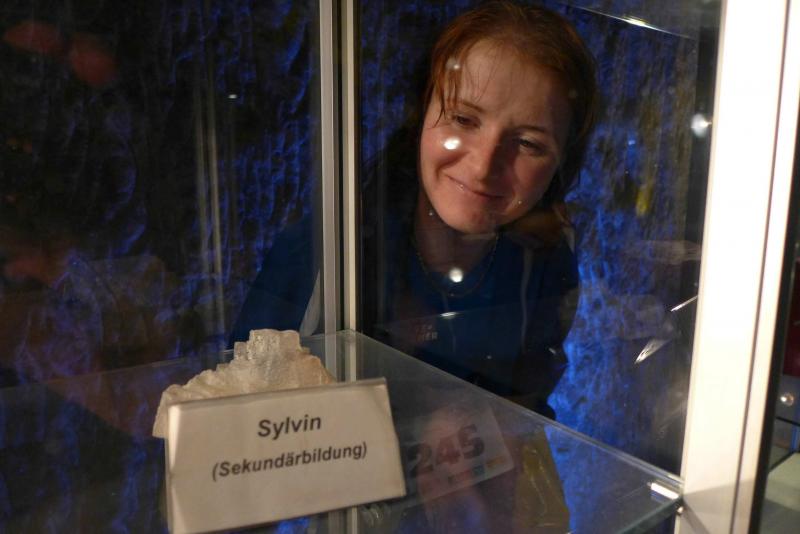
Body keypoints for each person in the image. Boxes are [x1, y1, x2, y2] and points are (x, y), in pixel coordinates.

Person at [360, 0, 598, 420]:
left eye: (528, 143)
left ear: (562, 164)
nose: (483, 166)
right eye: (463, 119)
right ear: (421, 114)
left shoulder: (542, 262)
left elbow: (527, 404)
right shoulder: (336, 254)